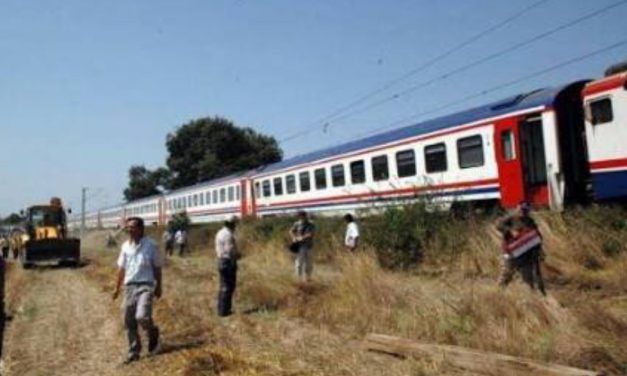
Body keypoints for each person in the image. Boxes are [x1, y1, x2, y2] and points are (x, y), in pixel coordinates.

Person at [112, 217, 163, 364]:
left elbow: (157, 268)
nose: (129, 230)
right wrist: (117, 288)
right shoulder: (125, 247)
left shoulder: (151, 245)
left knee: (142, 316)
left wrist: (159, 286)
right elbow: (121, 269)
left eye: (132, 227)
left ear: (141, 229)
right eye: (128, 227)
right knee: (128, 321)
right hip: (129, 287)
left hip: (146, 286)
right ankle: (134, 351)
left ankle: (153, 333)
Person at [497, 202, 546, 295]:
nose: (523, 213)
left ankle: (532, 299)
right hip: (511, 251)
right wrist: (510, 231)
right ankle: (498, 294)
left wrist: (539, 250)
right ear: (517, 209)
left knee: (528, 278)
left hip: (526, 254)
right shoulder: (510, 218)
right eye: (521, 210)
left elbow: (537, 236)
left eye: (525, 211)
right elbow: (498, 226)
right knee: (507, 274)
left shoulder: (530, 221)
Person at [214, 216, 240, 317]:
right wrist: (238, 255)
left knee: (223, 285)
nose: (235, 226)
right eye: (235, 224)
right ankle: (224, 311)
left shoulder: (219, 232)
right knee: (228, 286)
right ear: (232, 224)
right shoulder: (229, 235)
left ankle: (222, 309)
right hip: (228, 261)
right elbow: (230, 250)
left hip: (220, 260)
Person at [290, 210, 315, 282]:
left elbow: (310, 234)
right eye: (300, 216)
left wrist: (302, 238)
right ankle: (298, 278)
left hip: (309, 246)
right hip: (300, 246)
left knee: (309, 263)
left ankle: (308, 278)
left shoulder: (311, 224)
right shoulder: (296, 224)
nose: (302, 217)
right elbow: (291, 231)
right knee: (299, 263)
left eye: (303, 216)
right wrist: (294, 237)